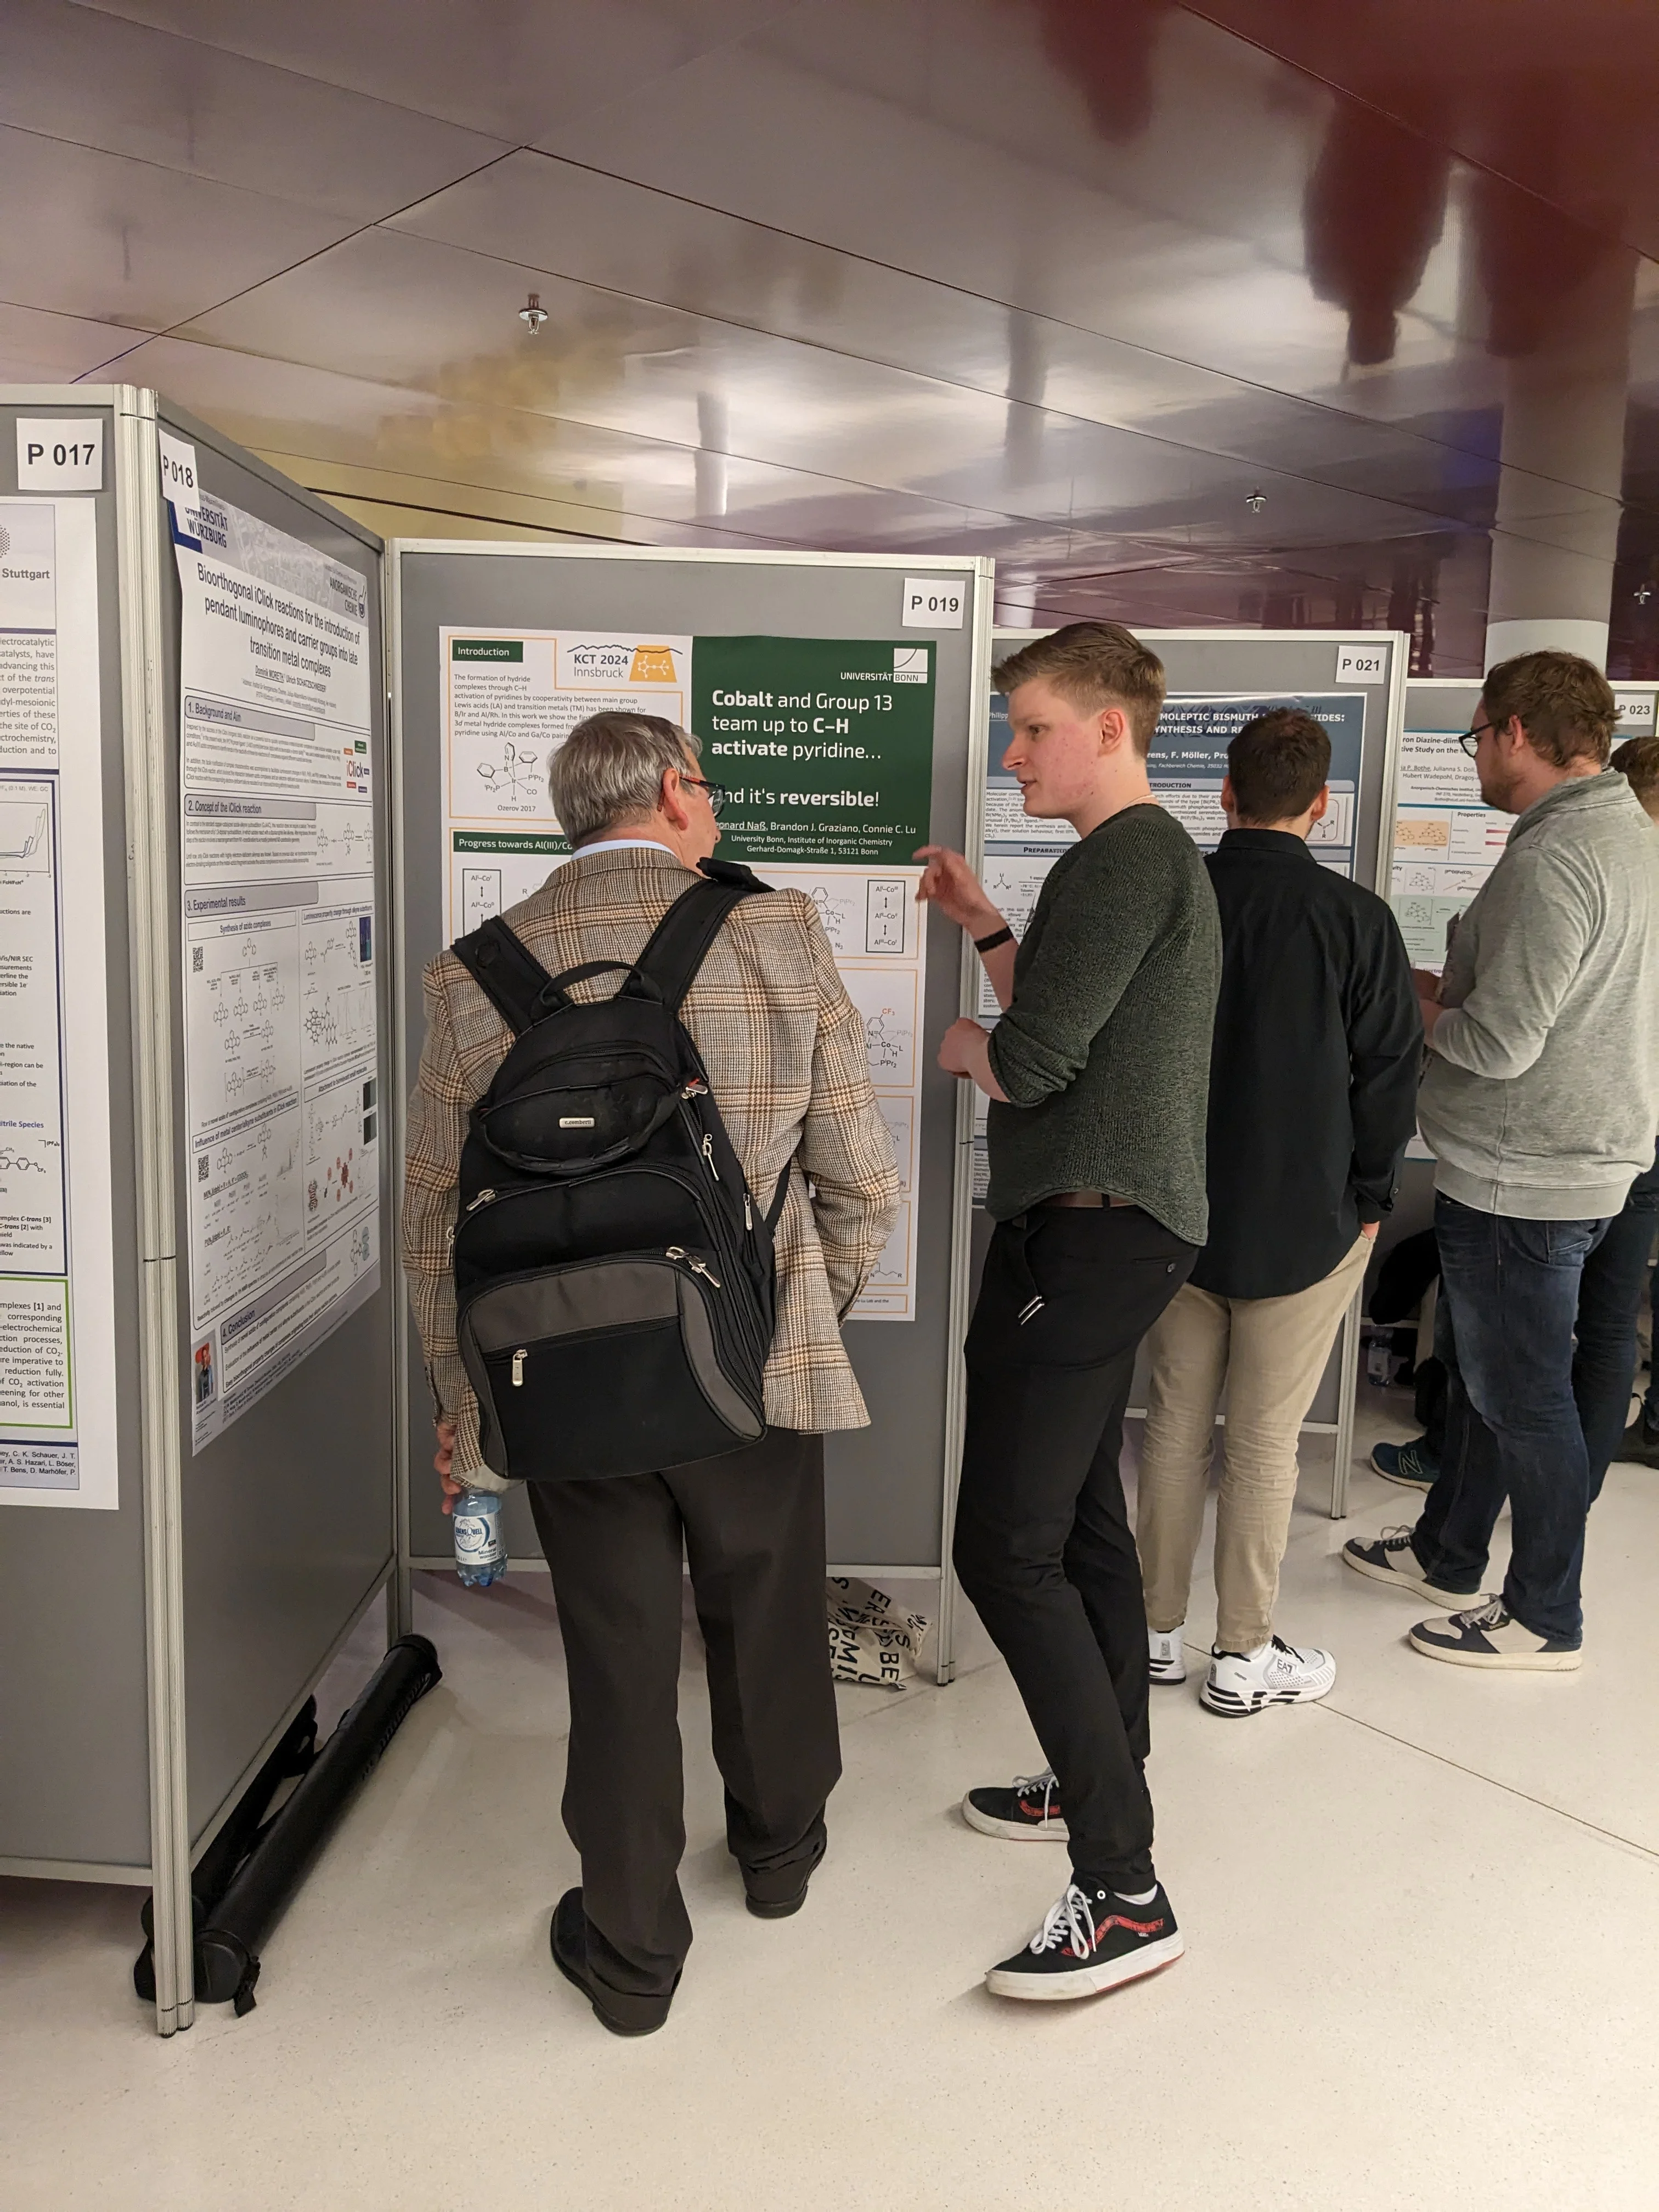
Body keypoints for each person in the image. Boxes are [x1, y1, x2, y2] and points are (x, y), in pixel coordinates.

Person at [403, 710, 899, 2035]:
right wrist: (790, 1319)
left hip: (561, 1373)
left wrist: (473, 1408)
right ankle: (780, 1855)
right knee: (768, 1605)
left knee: (616, 1649)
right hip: (753, 1363)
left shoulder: (469, 976)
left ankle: (628, 1956)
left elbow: (432, 1231)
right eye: (711, 788)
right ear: (677, 790)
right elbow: (861, 1179)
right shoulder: (776, 932)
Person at [916, 622, 1220, 2000]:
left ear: (1111, 727)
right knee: (1086, 1530)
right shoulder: (1139, 863)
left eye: (1033, 727)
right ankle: (1102, 1773)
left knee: (1007, 1554)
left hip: (1088, 1239)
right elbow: (1073, 1030)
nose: (1013, 752)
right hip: (1112, 1234)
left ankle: (1123, 1889)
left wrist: (968, 1049)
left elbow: (1034, 1062)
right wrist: (988, 929)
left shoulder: (1123, 859)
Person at [1343, 652, 1659, 1669]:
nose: (1476, 752)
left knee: (1525, 1396)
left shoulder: (1554, 858)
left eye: (1477, 733)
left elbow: (1502, 1042)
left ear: (1517, 731)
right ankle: (1447, 1549)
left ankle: (1544, 1614)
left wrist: (1419, 1010)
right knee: (1491, 1382)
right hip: (1573, 1155)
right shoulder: (1626, 836)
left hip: (1529, 1172)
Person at [1136, 709, 1421, 1716]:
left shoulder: (1174, 906)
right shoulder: (1358, 921)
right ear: (1321, 805)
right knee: (1263, 1442)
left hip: (1174, 1217)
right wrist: (1373, 1198)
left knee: (1173, 1426)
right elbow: (1389, 1075)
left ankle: (1156, 1635)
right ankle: (1243, 1657)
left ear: (1223, 795)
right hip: (1309, 1222)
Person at [1611, 736, 1659, 1471]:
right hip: (1636, 1126)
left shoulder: (1628, 876)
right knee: (1613, 1317)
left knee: (1599, 1318)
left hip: (1626, 1125)